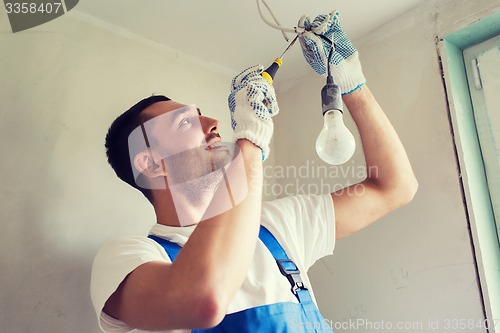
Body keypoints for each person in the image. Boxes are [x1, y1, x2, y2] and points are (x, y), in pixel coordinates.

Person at [90, 11, 418, 333]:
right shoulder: (127, 259)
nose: (213, 123)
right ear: (150, 163)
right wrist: (251, 141)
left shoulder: (278, 226)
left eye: (201, 114)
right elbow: (204, 299)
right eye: (186, 122)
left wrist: (350, 81)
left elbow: (395, 187)